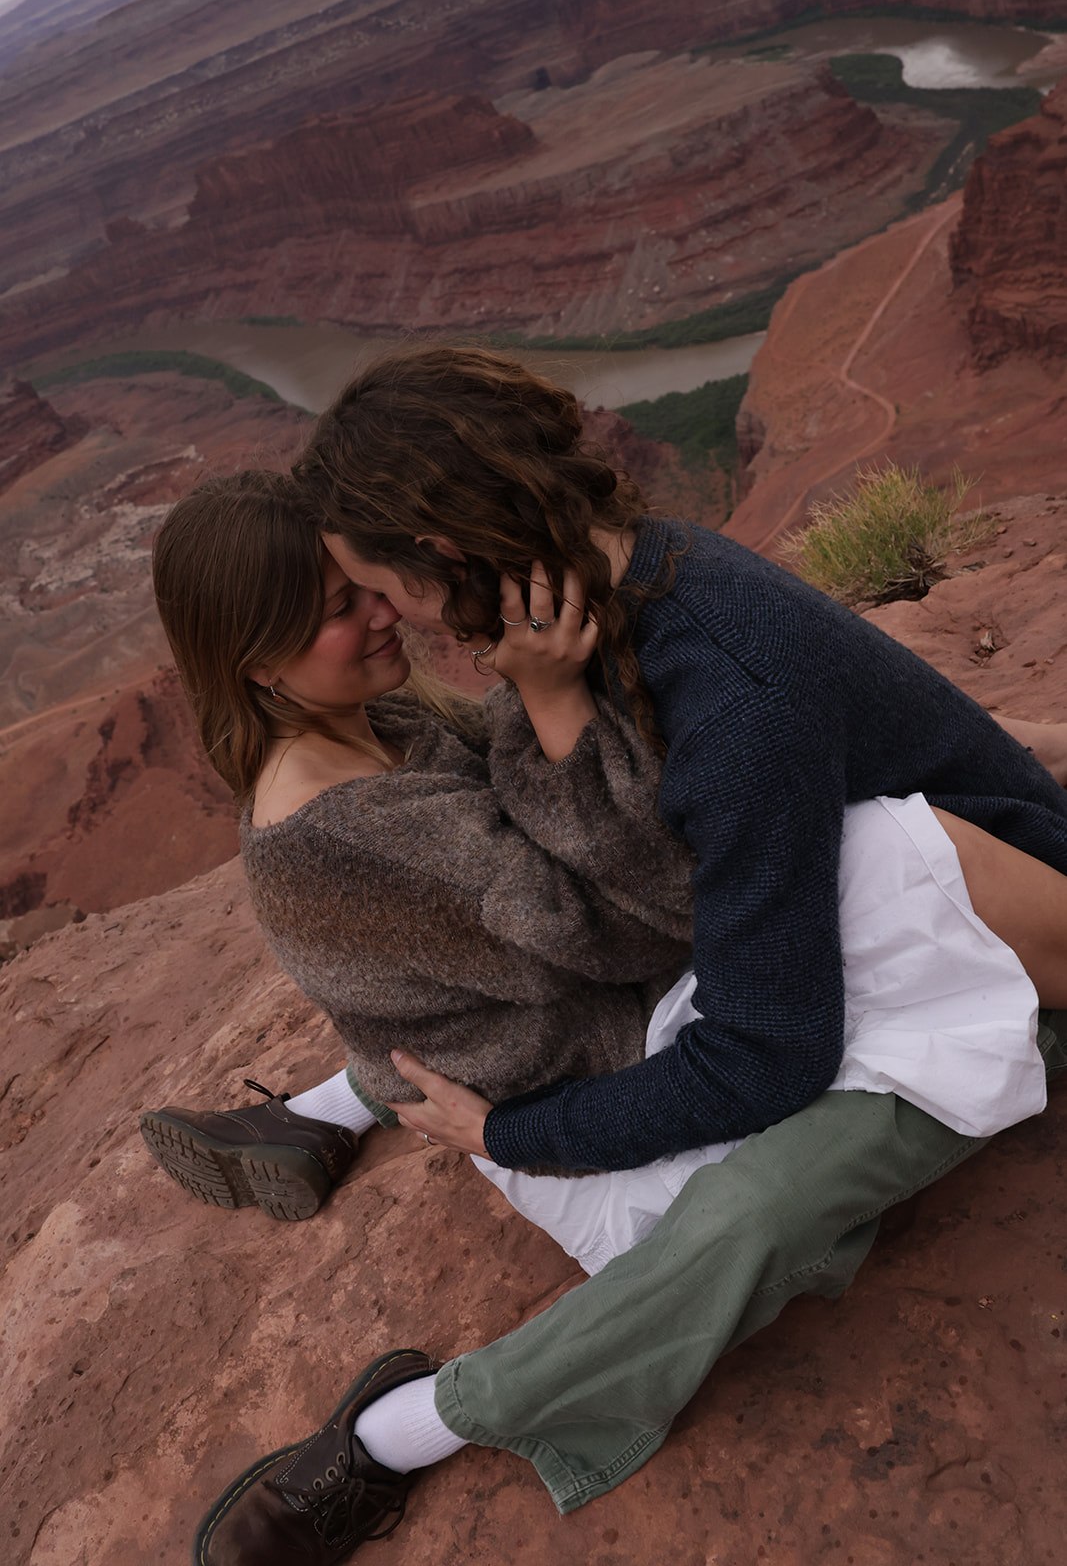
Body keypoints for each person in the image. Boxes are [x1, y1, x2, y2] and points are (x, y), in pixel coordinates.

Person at [148, 348, 1067, 1563]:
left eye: (373, 585)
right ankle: (382, 1322)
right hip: (657, 1015)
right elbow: (583, 910)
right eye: (343, 601)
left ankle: (402, 1409)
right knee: (752, 1201)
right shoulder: (649, 588)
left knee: (767, 1196)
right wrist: (551, 712)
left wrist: (508, 1130)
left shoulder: (693, 701)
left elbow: (686, 963)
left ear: (444, 551)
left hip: (727, 1002)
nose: (389, 617)